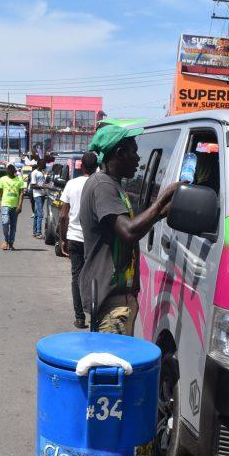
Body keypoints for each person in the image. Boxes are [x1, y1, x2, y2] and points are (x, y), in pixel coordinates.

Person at [79, 126, 178, 335]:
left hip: (117, 298)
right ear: (119, 153)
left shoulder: (111, 185)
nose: (138, 158)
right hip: (110, 299)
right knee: (113, 363)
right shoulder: (102, 186)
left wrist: (160, 213)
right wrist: (161, 200)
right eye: (133, 151)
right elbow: (128, 232)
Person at [58, 152, 98, 328]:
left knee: (77, 277)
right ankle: (95, 316)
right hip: (94, 239)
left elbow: (63, 216)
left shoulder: (71, 184)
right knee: (95, 277)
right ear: (96, 167)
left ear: (81, 166)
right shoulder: (99, 185)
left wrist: (62, 239)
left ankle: (80, 317)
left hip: (74, 237)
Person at [0, 164, 26, 251]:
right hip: (5, 205)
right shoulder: (2, 179)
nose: (9, 173)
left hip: (15, 206)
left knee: (13, 226)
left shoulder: (19, 180)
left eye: (11, 171)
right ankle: (6, 240)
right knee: (5, 223)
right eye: (8, 171)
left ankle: (11, 242)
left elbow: (21, 193)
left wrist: (20, 206)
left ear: (14, 172)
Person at [28, 160, 48, 238]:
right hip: (37, 195)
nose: (45, 165)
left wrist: (46, 185)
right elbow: (33, 186)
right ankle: (38, 232)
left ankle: (35, 232)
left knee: (36, 214)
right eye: (44, 163)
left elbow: (40, 183)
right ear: (40, 164)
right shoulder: (34, 173)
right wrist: (44, 187)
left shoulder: (41, 172)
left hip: (42, 195)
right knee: (40, 214)